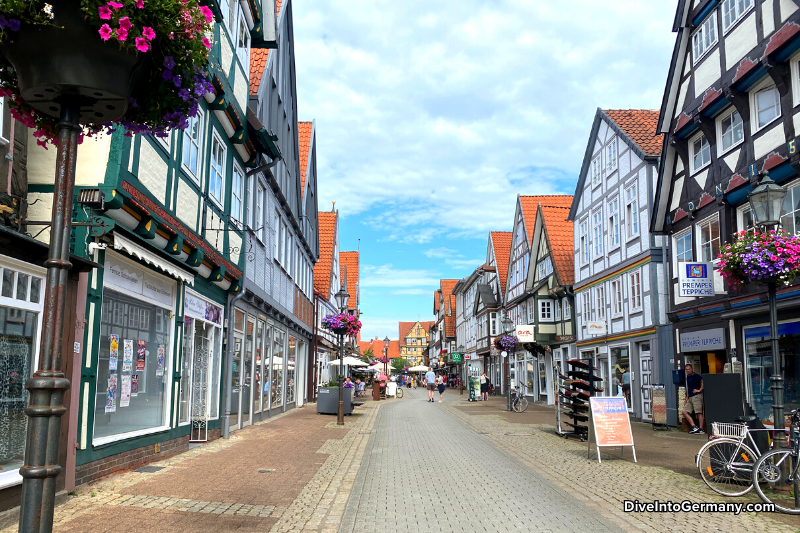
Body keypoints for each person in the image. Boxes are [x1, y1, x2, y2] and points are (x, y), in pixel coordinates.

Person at [682, 363, 704, 434]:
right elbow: (689, 387)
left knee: (698, 412)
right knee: (684, 412)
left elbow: (702, 381)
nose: (688, 371)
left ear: (692, 369)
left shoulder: (696, 376)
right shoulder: (687, 377)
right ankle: (694, 426)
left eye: (689, 369)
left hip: (696, 396)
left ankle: (701, 429)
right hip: (690, 397)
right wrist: (687, 397)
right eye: (686, 370)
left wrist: (700, 389)